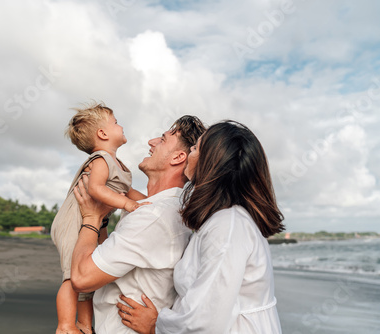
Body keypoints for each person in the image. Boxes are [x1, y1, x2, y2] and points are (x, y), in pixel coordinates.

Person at [116, 120, 285, 333]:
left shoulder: (228, 226)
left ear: (212, 161)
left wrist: (155, 325)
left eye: (195, 148)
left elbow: (206, 319)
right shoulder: (221, 220)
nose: (190, 153)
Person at [70, 116, 206, 334]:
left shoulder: (153, 216)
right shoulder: (159, 209)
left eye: (162, 139)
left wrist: (90, 219)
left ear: (178, 157)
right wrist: (103, 223)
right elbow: (107, 257)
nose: (152, 142)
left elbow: (81, 278)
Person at [50, 102, 147, 334]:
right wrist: (126, 204)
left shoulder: (118, 165)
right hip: (74, 220)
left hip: (93, 222)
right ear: (102, 134)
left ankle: (84, 325)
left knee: (87, 276)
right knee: (72, 276)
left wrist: (152, 202)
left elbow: (129, 192)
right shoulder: (101, 159)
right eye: (115, 122)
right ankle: (65, 325)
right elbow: (95, 189)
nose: (120, 125)